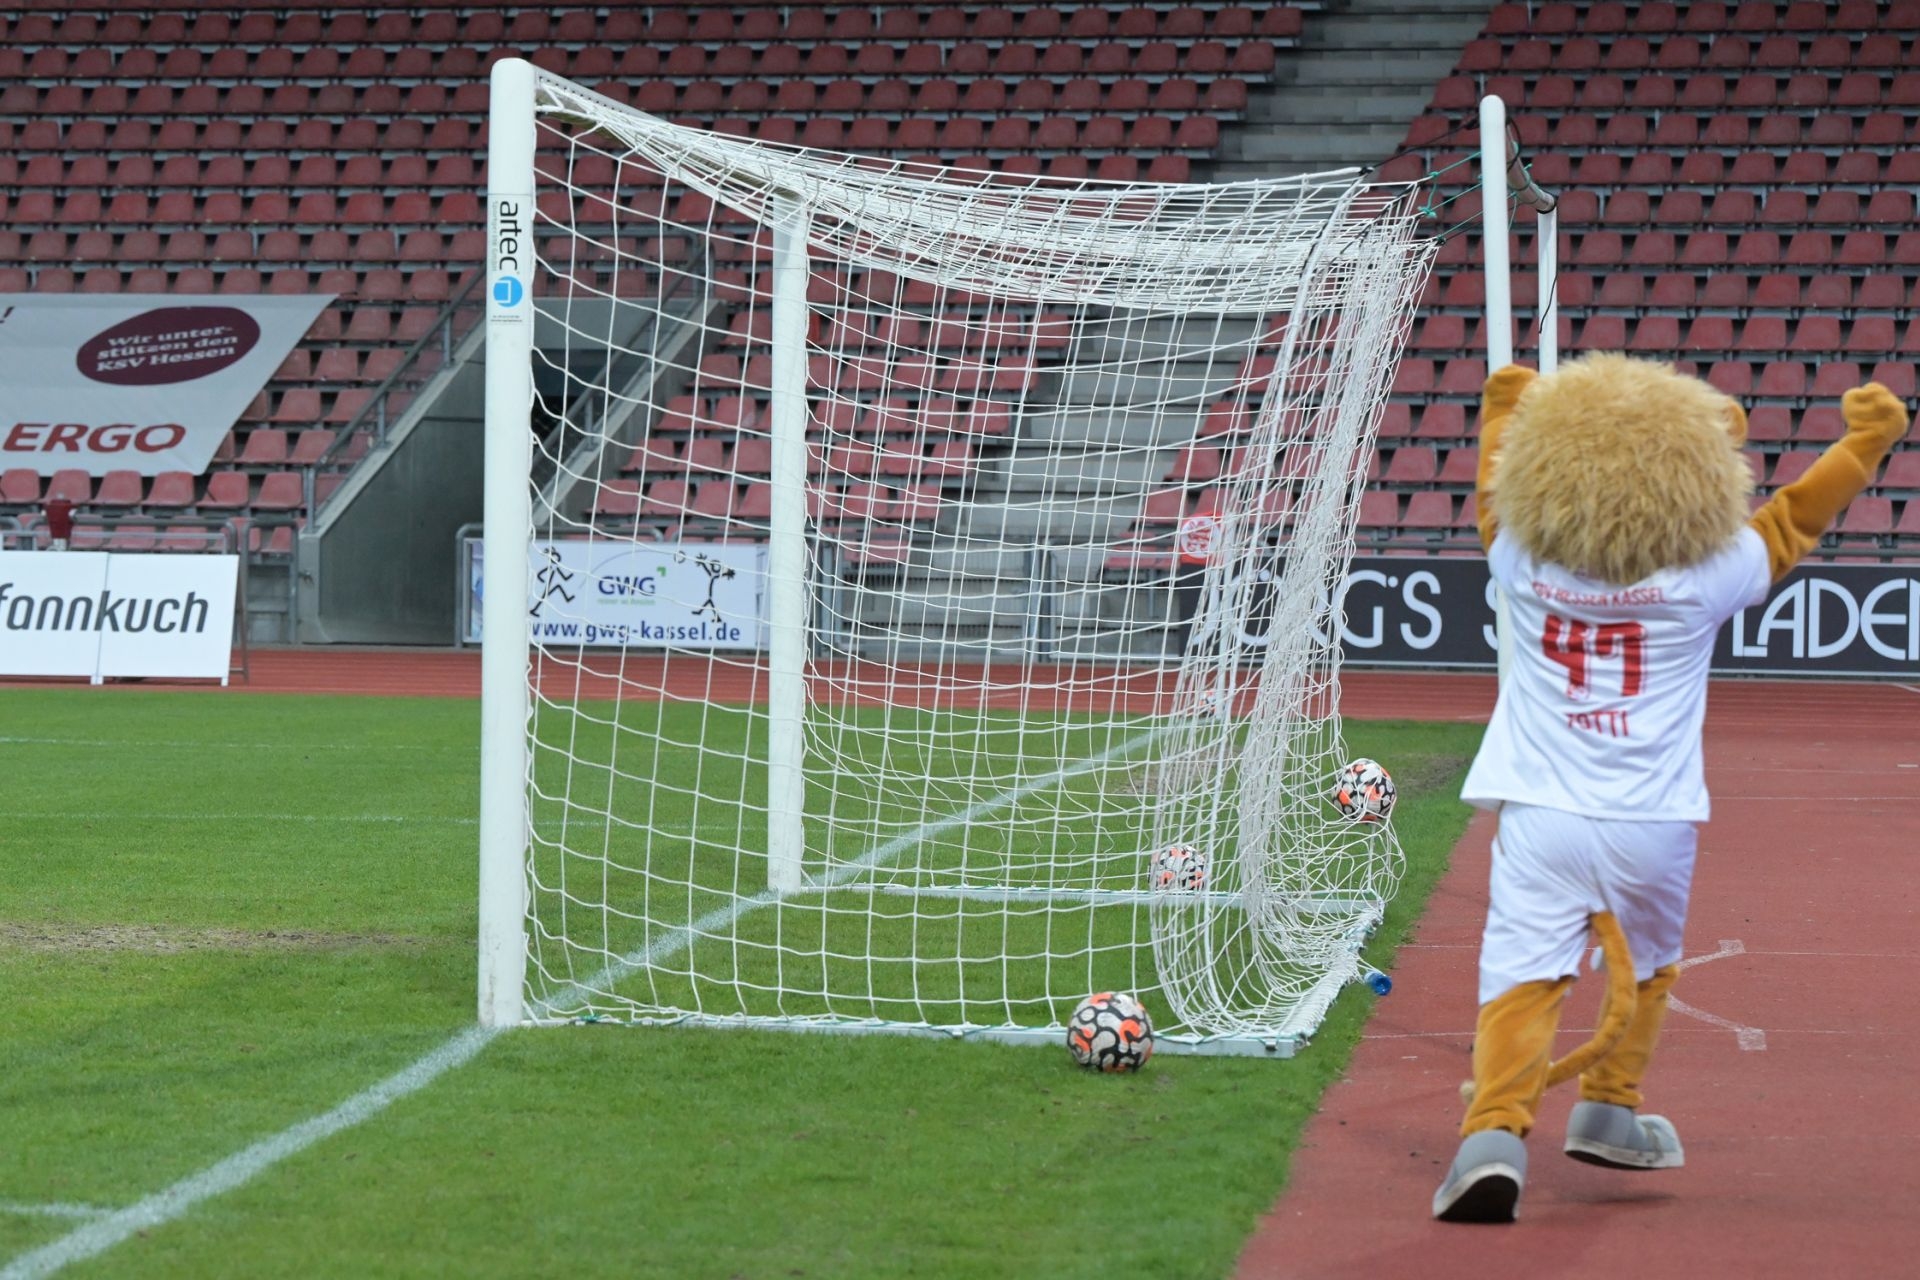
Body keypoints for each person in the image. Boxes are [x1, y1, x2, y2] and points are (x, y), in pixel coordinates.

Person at [1432, 355, 1909, 1223]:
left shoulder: (1524, 563)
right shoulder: (1705, 576)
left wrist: (1502, 412)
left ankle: (1493, 1135)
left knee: (1523, 975)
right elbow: (1795, 518)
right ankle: (1611, 1105)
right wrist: (1866, 443)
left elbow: (1493, 499)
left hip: (1539, 809)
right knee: (1647, 967)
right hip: (1652, 817)